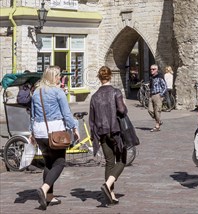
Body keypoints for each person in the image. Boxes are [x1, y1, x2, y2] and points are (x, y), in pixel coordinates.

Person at [29, 66, 80, 210]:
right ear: (53, 77)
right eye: (58, 76)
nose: (60, 78)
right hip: (55, 131)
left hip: (39, 132)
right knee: (60, 162)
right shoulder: (58, 92)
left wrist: (31, 133)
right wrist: (75, 127)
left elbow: (32, 115)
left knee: (48, 164)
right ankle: (44, 189)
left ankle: (49, 196)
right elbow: (66, 113)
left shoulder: (36, 92)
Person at [89, 66, 127, 205]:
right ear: (110, 76)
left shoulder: (94, 97)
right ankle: (108, 184)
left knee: (109, 162)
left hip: (102, 133)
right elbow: (122, 110)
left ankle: (110, 194)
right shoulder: (116, 92)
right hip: (115, 131)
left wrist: (94, 136)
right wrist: (124, 106)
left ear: (99, 78)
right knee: (122, 160)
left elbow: (92, 120)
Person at [148, 64, 167, 131]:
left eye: (153, 69)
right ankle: (159, 121)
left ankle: (157, 126)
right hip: (151, 95)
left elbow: (164, 86)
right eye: (151, 69)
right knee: (150, 110)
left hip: (157, 95)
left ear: (157, 70)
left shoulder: (160, 77)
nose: (152, 70)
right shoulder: (151, 77)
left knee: (157, 111)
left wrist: (161, 95)